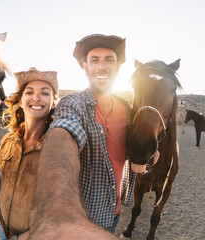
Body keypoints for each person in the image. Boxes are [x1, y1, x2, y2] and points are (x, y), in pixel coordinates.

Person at [29, 34, 138, 235]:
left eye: (109, 59)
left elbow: (130, 150)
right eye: (94, 60)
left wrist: (148, 157)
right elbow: (63, 134)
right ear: (85, 67)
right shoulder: (73, 104)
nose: (102, 66)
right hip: (82, 217)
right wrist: (60, 210)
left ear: (118, 67)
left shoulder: (127, 110)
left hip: (114, 211)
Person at [0, 67, 59, 240]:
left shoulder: (57, 147)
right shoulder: (7, 141)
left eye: (45, 93)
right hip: (2, 226)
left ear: (53, 102)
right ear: (20, 101)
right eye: (29, 92)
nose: (36, 97)